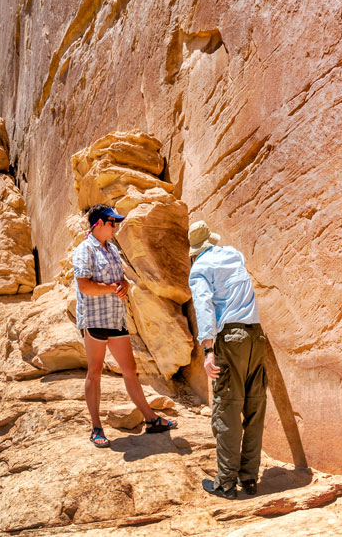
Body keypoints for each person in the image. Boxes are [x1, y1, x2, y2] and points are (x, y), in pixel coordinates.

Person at [73, 204, 177, 448]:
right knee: (95, 372)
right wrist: (112, 288)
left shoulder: (111, 250)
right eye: (112, 222)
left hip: (115, 318)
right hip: (95, 319)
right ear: (98, 223)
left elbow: (120, 280)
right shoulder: (84, 250)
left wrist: (124, 286)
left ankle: (150, 419)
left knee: (129, 369)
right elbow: (85, 286)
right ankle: (96, 427)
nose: (115, 227)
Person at [189, 220, 267, 499]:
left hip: (231, 340)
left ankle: (225, 484)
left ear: (194, 252)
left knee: (228, 409)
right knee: (255, 408)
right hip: (256, 337)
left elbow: (204, 306)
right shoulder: (234, 254)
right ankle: (249, 479)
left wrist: (208, 349)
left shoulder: (199, 269)